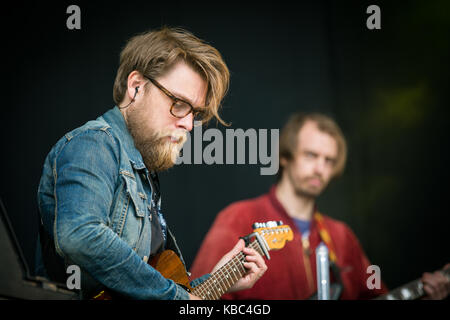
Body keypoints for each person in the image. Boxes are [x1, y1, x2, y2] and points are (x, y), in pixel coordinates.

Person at [35, 27, 266, 300]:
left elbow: (142, 289)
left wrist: (217, 281)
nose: (189, 124)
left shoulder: (142, 172)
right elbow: (80, 235)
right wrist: (178, 299)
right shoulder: (94, 143)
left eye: (196, 112)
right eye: (179, 103)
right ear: (136, 87)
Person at [190, 112, 450, 300]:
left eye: (329, 160)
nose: (320, 168)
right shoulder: (238, 216)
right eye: (311, 155)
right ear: (284, 157)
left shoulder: (341, 236)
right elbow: (197, 297)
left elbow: (376, 293)